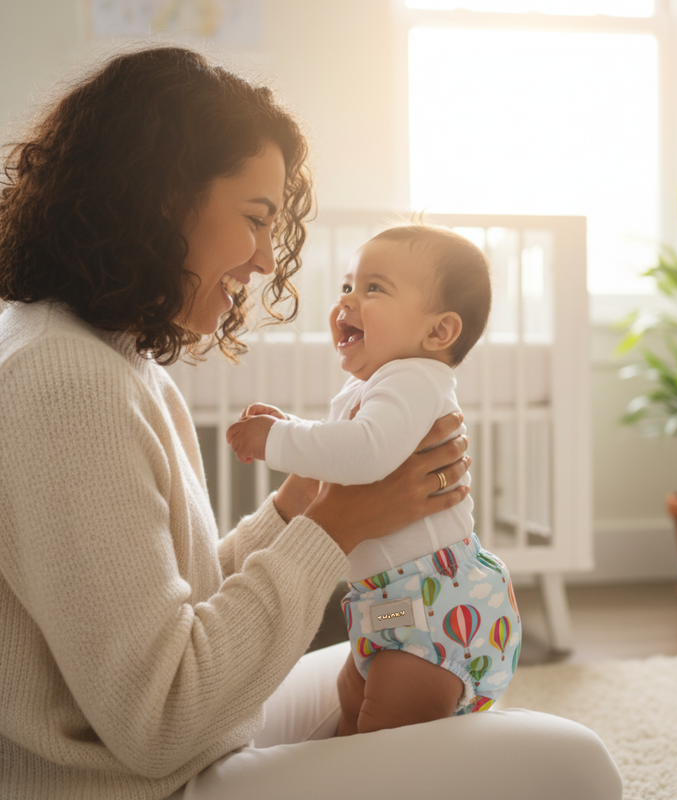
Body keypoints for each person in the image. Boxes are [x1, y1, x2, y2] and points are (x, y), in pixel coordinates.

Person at [0, 44, 623, 800]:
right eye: (256, 219)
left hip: (159, 748)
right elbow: (158, 717)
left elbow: (171, 608)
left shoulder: (100, 352)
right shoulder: (66, 381)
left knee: (414, 658)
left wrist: (297, 505)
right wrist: (338, 525)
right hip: (138, 782)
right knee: (573, 765)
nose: (265, 261)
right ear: (162, 198)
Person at [226, 224, 521, 734]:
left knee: (387, 733)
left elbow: (365, 454)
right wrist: (304, 441)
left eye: (374, 288)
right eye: (347, 286)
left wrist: (279, 437)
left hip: (434, 605)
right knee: (353, 708)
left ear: (439, 332)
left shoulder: (413, 378)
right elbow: (345, 454)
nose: (348, 301)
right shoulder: (380, 385)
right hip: (388, 608)